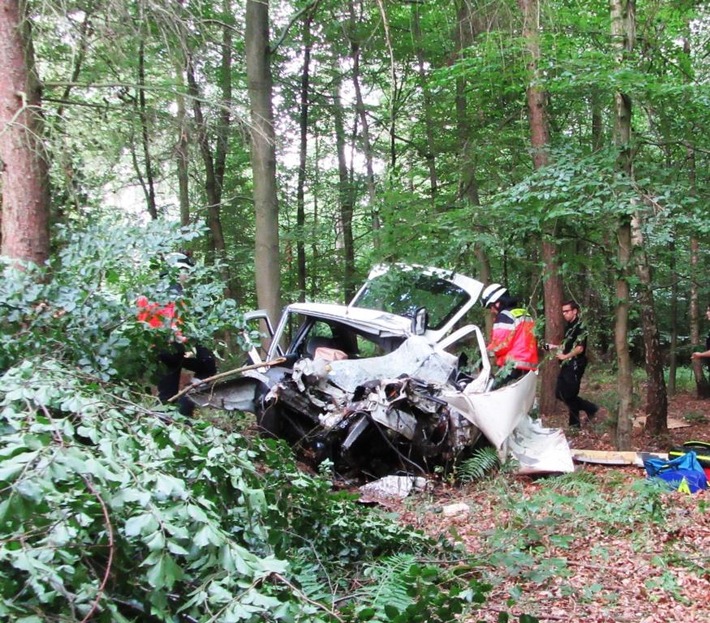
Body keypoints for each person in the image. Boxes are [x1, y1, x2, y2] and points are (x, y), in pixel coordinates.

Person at [138, 252, 217, 416]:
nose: (187, 275)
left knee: (167, 395)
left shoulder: (149, 294)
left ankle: (170, 422)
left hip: (157, 350)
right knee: (208, 366)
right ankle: (185, 408)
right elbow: (177, 322)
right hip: (173, 347)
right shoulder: (178, 295)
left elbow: (142, 323)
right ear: (176, 271)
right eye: (185, 271)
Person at [549, 300, 598, 429]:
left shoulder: (581, 326)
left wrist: (566, 356)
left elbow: (579, 348)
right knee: (560, 393)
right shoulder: (568, 327)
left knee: (570, 395)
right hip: (566, 364)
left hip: (575, 364)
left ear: (575, 311)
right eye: (563, 312)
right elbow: (567, 346)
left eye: (567, 311)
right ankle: (589, 409)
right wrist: (553, 347)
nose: (564, 314)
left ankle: (576, 423)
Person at [480, 283, 538, 387]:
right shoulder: (524, 313)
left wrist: (485, 353)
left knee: (489, 391)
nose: (492, 311)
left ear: (497, 303)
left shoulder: (505, 316)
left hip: (512, 366)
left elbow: (500, 345)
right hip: (529, 366)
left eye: (491, 307)